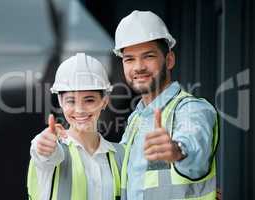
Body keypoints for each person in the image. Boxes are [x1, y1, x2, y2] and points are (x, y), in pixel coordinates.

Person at [113, 10, 219, 199]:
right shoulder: (135, 119)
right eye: (129, 59)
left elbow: (194, 144)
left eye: (148, 56)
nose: (138, 67)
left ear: (169, 60)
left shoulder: (190, 109)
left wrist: (177, 150)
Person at [27, 53, 124, 200]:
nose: (79, 109)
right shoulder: (54, 149)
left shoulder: (121, 155)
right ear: (60, 102)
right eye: (71, 101)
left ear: (104, 101)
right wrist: (42, 146)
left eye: (89, 100)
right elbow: (43, 154)